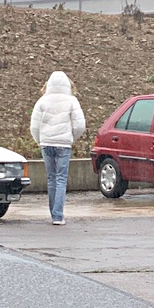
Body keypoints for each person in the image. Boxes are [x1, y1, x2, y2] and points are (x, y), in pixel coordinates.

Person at [30, 70, 87, 225]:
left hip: (46, 143)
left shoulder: (42, 101)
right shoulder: (72, 101)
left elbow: (34, 126)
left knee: (51, 179)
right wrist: (71, 138)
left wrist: (39, 140)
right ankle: (58, 215)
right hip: (63, 144)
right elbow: (80, 125)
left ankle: (53, 213)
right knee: (61, 178)